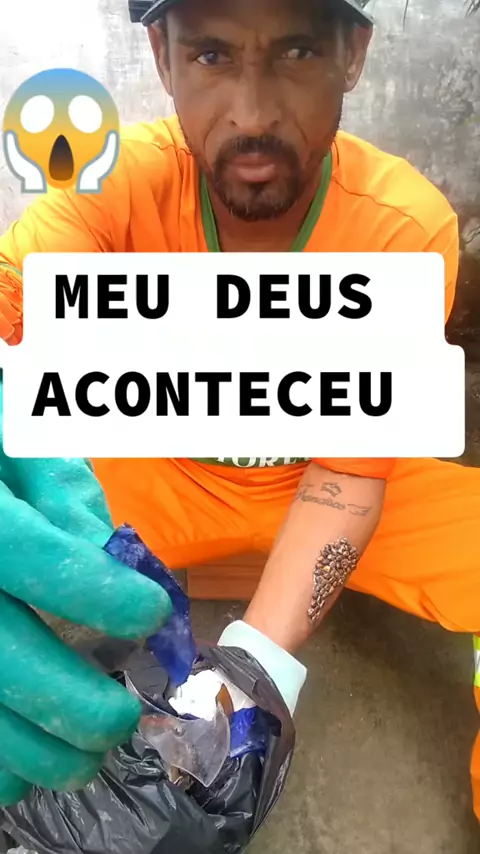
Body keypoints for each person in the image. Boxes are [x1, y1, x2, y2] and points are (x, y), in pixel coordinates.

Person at [0, 0, 480, 824]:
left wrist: (254, 665)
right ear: (162, 57)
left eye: (296, 52)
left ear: (353, 55)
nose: (253, 115)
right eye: (213, 56)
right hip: (154, 480)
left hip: (336, 483)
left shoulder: (401, 228)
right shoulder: (110, 191)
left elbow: (345, 478)